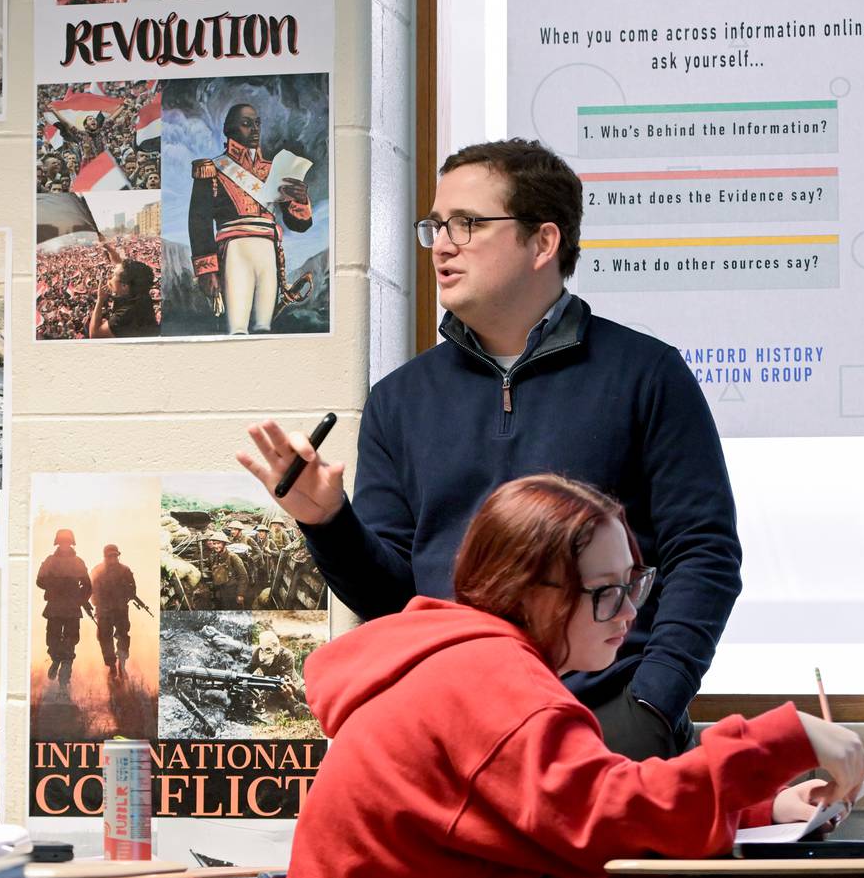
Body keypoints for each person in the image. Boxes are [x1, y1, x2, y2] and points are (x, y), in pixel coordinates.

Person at [238, 138, 742, 760]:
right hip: (452, 728)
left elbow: (705, 555)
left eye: (469, 224)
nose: (443, 244)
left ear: (543, 242)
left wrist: (651, 705)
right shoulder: (400, 400)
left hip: (607, 721)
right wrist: (329, 523)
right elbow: (396, 601)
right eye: (437, 226)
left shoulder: (647, 375)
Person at [283, 475, 864, 878]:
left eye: (635, 583)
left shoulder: (463, 665)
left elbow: (581, 813)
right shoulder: (489, 680)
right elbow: (610, 816)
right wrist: (786, 739)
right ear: (524, 590)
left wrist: (765, 812)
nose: (632, 613)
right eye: (607, 592)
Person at [189, 103, 313, 334]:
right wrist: (207, 271)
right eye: (246, 124)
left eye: (257, 123)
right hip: (234, 252)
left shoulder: (274, 169)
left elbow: (298, 224)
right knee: (237, 329)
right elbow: (199, 222)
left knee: (264, 327)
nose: (255, 129)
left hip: (269, 252)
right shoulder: (212, 169)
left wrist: (301, 200)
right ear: (230, 130)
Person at [35, 529, 92, 689]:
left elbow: (87, 586)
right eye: (62, 542)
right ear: (58, 543)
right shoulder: (50, 561)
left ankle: (63, 682)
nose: (65, 545)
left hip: (72, 608)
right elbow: (39, 581)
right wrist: (53, 585)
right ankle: (55, 659)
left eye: (67, 542)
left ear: (71, 543)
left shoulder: (78, 562)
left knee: (70, 641)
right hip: (55, 607)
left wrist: (81, 599)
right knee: (52, 640)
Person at [90, 543, 137, 680]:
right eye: (110, 556)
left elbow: (132, 590)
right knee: (105, 639)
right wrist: (99, 605)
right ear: (105, 557)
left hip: (120, 610)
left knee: (123, 635)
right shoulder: (97, 571)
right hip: (104, 611)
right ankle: (112, 666)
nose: (113, 559)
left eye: (115, 556)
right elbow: (92, 591)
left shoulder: (125, 571)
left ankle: (121, 665)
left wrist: (123, 598)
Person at [88, 257, 157, 339]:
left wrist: (100, 300)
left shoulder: (125, 314)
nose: (110, 278)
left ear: (124, 286)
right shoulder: (142, 296)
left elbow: (95, 335)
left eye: (114, 275)